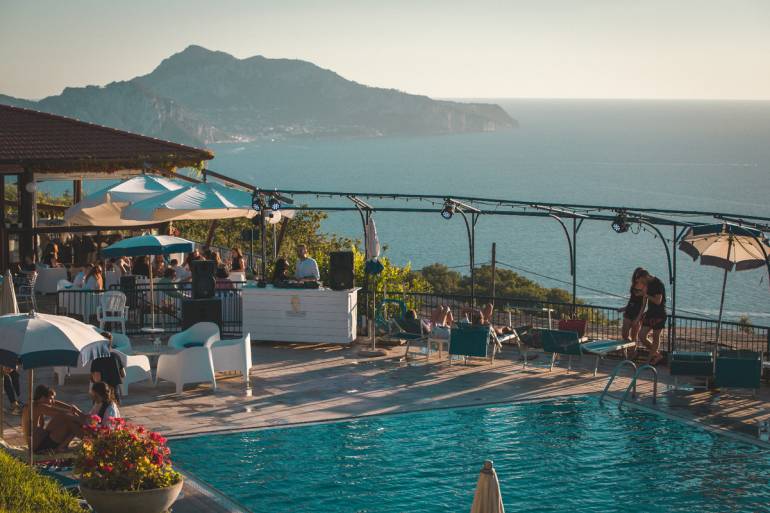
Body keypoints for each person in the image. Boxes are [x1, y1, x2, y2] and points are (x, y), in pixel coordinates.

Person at [21, 385, 87, 453]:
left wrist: (75, 410)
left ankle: (63, 446)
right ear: (43, 398)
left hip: (39, 441)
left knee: (71, 420)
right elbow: (61, 413)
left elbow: (55, 403)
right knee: (68, 419)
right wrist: (81, 419)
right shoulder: (39, 407)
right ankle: (88, 438)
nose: (52, 401)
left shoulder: (33, 404)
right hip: (38, 446)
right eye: (51, 398)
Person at [639, 274, 666, 365]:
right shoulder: (647, 285)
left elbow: (658, 301)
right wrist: (639, 316)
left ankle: (648, 361)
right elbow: (643, 304)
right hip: (650, 313)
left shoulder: (658, 284)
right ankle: (657, 355)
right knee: (641, 335)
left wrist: (646, 295)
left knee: (656, 336)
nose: (642, 283)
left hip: (659, 314)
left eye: (642, 281)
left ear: (645, 276)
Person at [90, 332, 125, 404]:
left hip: (102, 395)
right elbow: (123, 374)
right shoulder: (116, 356)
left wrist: (91, 376)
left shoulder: (97, 359)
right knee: (114, 410)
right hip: (115, 393)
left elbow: (97, 379)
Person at [618, 267, 648, 343]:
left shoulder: (645, 287)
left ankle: (632, 349)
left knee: (634, 337)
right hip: (629, 311)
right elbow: (631, 300)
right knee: (624, 335)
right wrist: (625, 308)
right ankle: (627, 347)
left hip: (637, 313)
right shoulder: (633, 285)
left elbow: (644, 305)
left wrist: (638, 318)